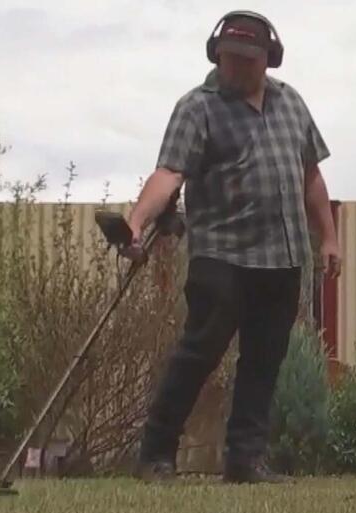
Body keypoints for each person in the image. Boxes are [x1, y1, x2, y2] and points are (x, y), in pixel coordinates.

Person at [124, 10, 340, 484]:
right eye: (229, 57)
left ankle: (245, 459)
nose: (236, 67)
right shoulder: (196, 107)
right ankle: (156, 454)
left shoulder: (291, 103)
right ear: (216, 54)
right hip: (221, 254)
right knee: (199, 352)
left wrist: (328, 236)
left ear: (269, 59)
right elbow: (169, 173)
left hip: (283, 256)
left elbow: (311, 175)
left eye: (247, 59)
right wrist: (136, 221)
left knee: (264, 360)